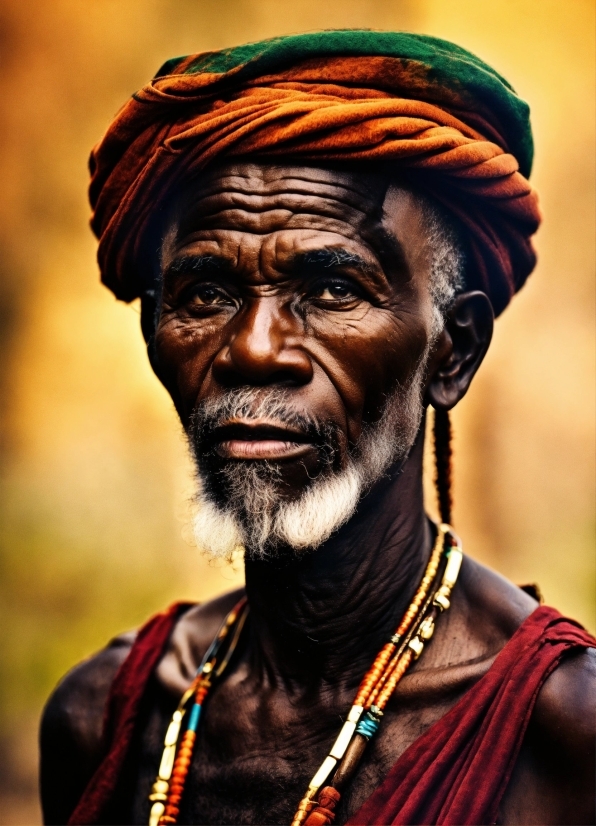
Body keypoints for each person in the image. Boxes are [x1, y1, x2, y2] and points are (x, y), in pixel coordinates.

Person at [39, 31, 595, 826]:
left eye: (333, 289)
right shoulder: (103, 722)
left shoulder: (564, 734)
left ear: (453, 352)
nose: (253, 350)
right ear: (154, 334)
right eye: (205, 293)